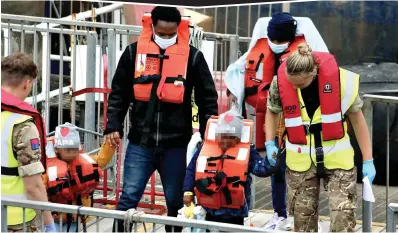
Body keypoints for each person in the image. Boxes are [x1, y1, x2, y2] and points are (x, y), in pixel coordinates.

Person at [104, 6, 218, 232]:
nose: (166, 38)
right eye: (161, 33)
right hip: (140, 142)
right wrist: (113, 125)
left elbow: (208, 99)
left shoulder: (193, 57)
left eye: (171, 34)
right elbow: (118, 92)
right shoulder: (132, 53)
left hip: (176, 144)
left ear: (179, 30)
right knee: (128, 198)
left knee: (175, 202)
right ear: (152, 27)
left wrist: (209, 137)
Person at [226, 12, 331, 230]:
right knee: (277, 169)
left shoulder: (306, 55)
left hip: (303, 121)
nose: (275, 44)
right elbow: (236, 71)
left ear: (291, 38)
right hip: (274, 119)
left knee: (309, 173)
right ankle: (279, 214)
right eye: (272, 40)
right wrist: (232, 89)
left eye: (280, 41)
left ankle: (312, 217)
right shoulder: (260, 48)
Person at [265, 43, 376, 232]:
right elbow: (272, 111)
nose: (294, 87)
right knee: (303, 223)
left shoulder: (341, 81)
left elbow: (358, 120)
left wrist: (368, 160)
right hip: (299, 162)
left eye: (300, 84)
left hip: (337, 159)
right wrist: (269, 143)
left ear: (313, 73)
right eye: (291, 83)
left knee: (343, 218)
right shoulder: (281, 81)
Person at [182, 109, 278, 227]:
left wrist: (272, 159)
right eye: (222, 136)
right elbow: (192, 170)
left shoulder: (248, 153)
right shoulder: (204, 149)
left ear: (238, 138)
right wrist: (188, 191)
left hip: (235, 213)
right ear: (216, 135)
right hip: (210, 209)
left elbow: (262, 170)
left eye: (230, 137)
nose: (225, 141)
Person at [1, 52, 56, 232]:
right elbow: (33, 186)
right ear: (27, 83)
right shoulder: (22, 126)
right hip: (15, 220)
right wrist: (49, 223)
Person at [41, 122, 116, 232]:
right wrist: (48, 213)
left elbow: (101, 161)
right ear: (57, 149)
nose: (72, 153)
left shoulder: (84, 162)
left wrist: (111, 143)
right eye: (68, 149)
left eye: (75, 149)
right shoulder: (47, 172)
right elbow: (41, 193)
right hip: (54, 221)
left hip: (75, 219)